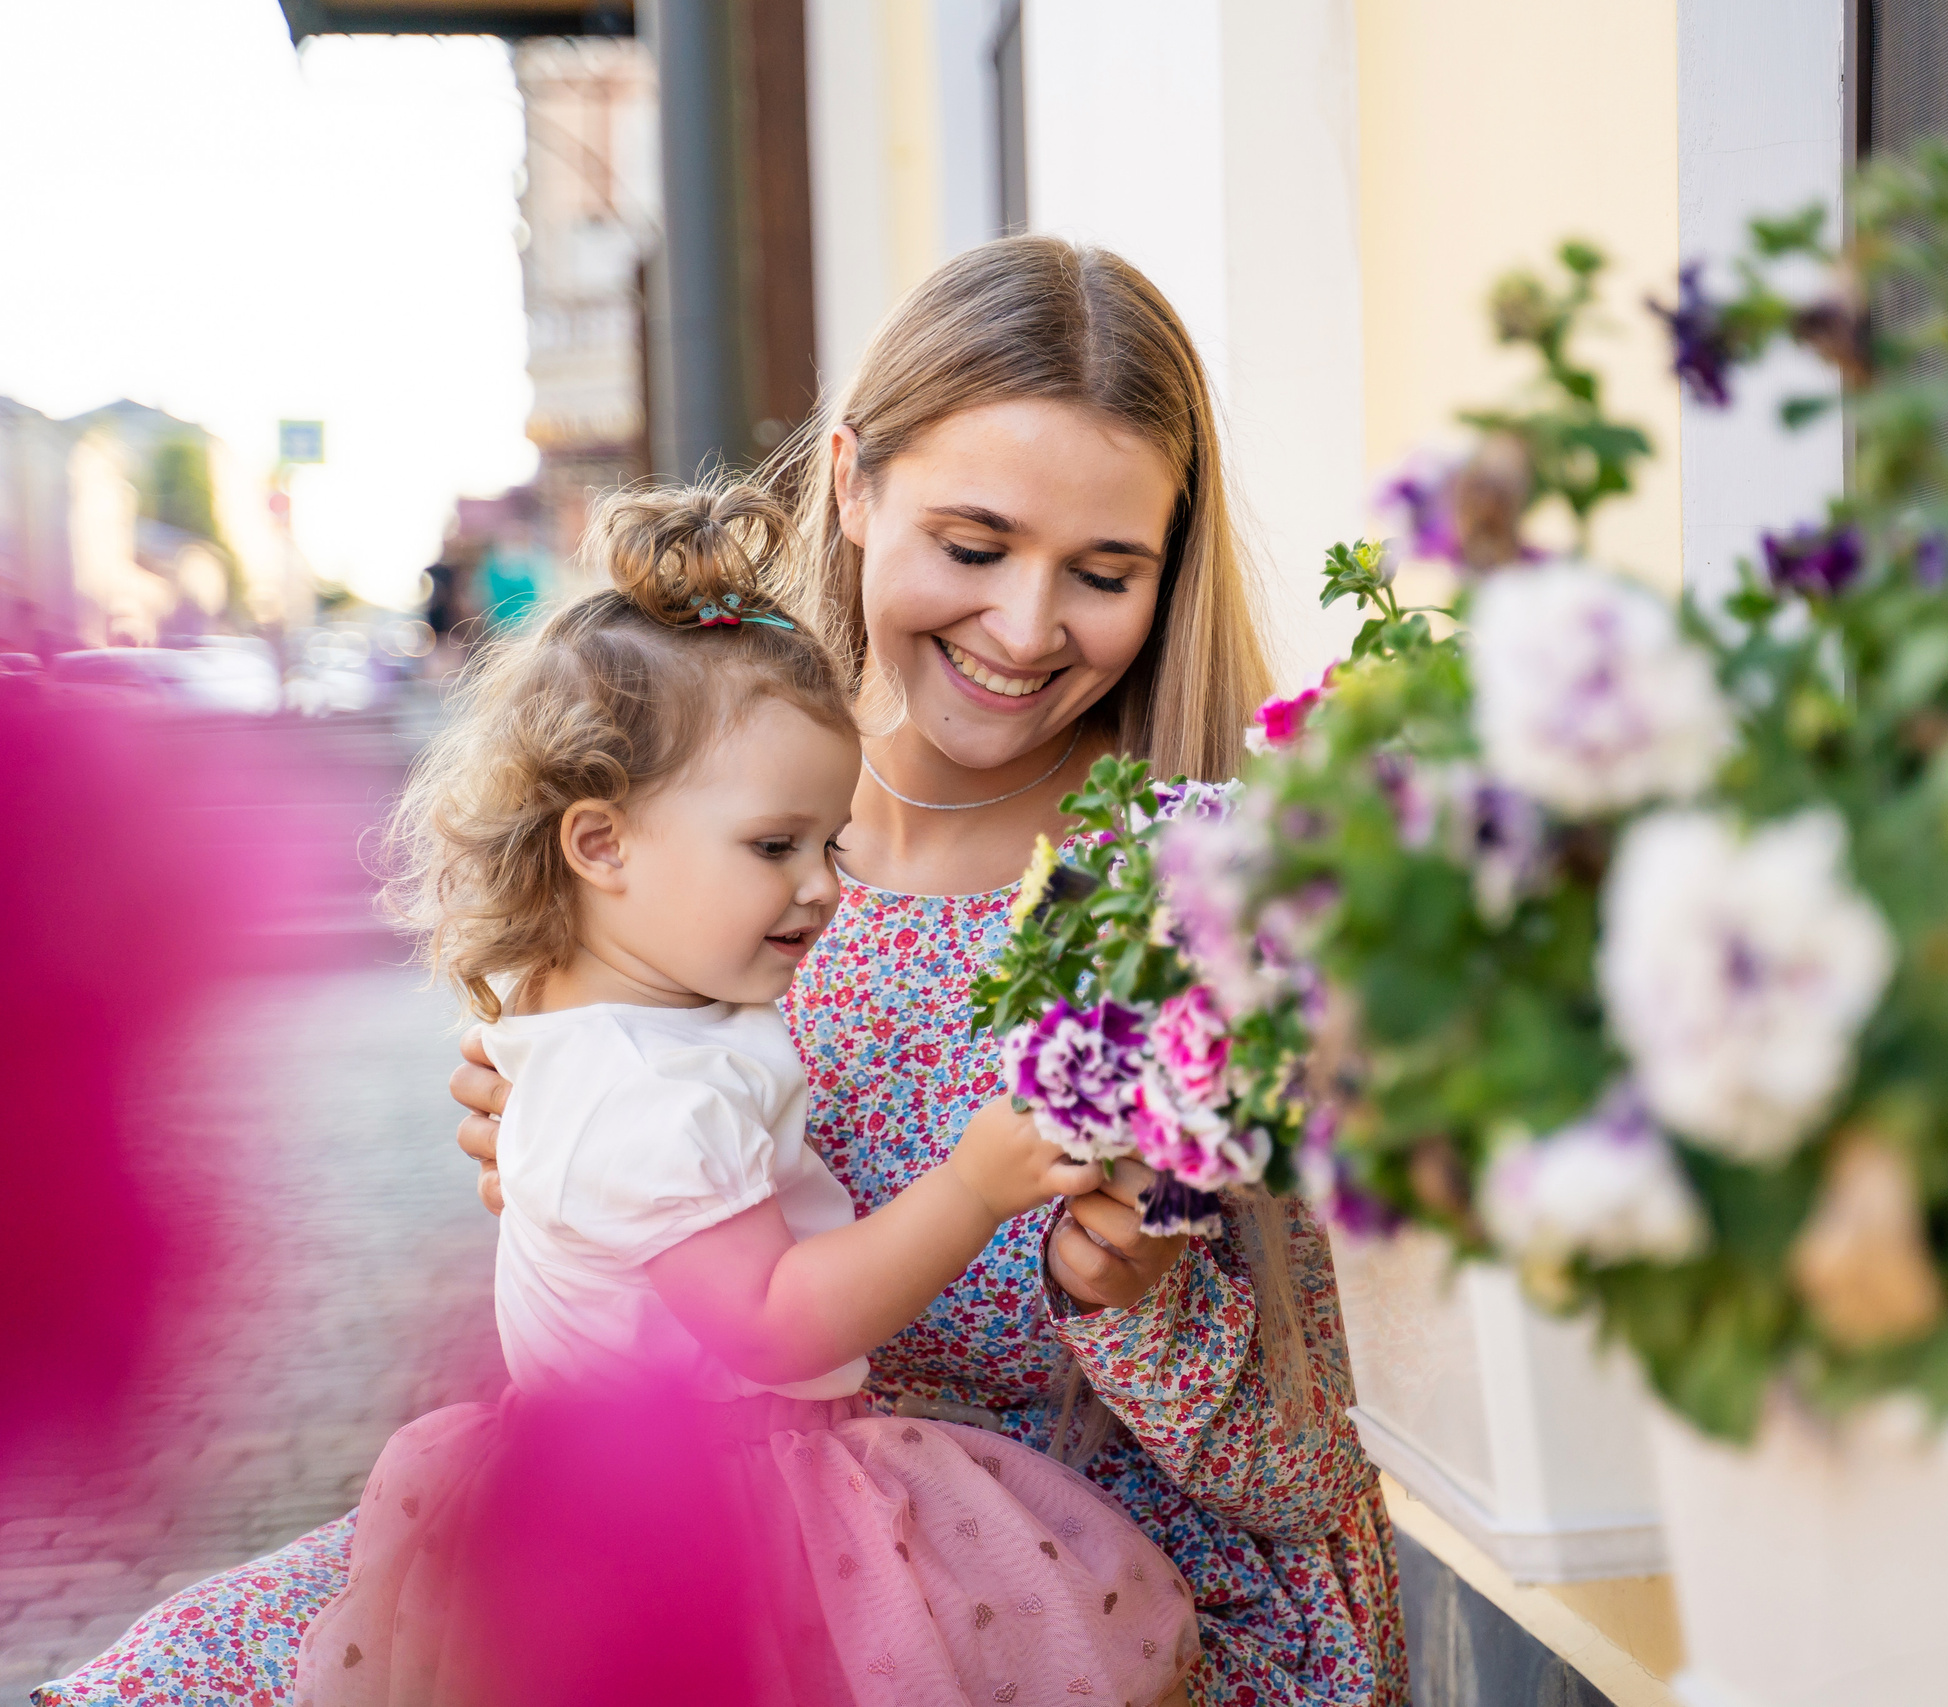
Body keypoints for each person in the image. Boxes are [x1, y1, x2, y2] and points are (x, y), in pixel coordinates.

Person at [39, 237, 1404, 1707]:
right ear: (852, 482)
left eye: (1105, 570)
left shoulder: (1186, 876)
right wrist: (559, 1141)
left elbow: (1299, 1475)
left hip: (1058, 1600)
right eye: (973, 542)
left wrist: (1139, 1299)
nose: (1024, 624)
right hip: (723, 1536)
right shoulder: (702, 840)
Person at [298, 482, 1200, 1706]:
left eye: (829, 843)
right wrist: (974, 1187)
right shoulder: (642, 1094)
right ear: (601, 846)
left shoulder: (624, 1019)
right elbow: (776, 1323)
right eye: (774, 847)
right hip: (721, 1507)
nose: (824, 888)